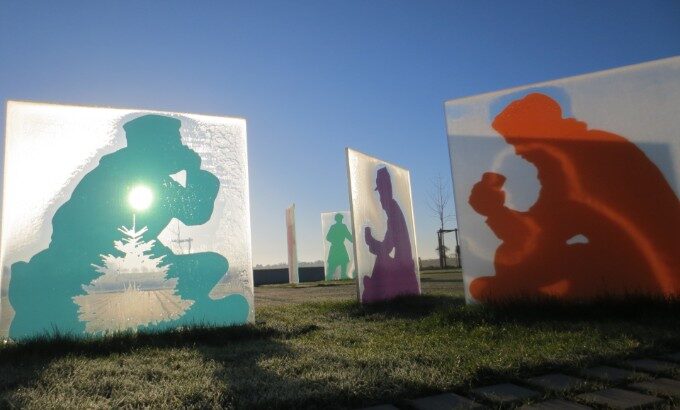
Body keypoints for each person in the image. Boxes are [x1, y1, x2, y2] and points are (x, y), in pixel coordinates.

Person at [362, 167, 420, 303]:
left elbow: (386, 248)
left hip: (402, 267)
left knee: (381, 258)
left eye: (381, 192)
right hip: (402, 264)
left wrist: (370, 241)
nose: (380, 198)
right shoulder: (393, 211)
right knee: (381, 258)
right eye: (380, 192)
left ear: (388, 190)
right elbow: (387, 245)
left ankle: (374, 291)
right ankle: (373, 289)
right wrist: (372, 242)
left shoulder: (394, 212)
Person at [325, 213, 353, 280]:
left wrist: (353, 240)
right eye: (339, 218)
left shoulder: (341, 226)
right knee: (333, 262)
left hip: (338, 245)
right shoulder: (335, 227)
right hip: (336, 246)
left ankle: (343, 275)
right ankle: (330, 276)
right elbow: (328, 237)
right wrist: (335, 241)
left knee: (344, 261)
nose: (340, 219)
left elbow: (349, 236)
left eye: (340, 218)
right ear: (337, 219)